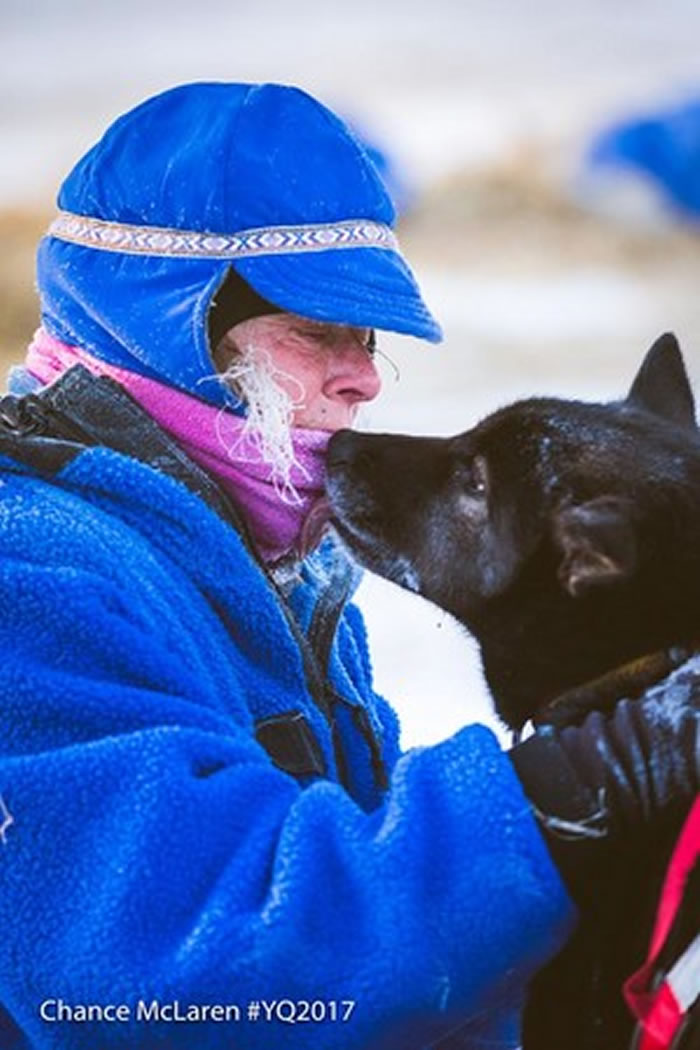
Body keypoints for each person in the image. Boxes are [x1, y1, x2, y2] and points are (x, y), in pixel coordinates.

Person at [0, 81, 696, 1050]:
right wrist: (579, 782)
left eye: (366, 337)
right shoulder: (31, 577)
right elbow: (190, 981)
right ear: (175, 328)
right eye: (318, 331)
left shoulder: (272, 569)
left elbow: (383, 958)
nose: (364, 375)